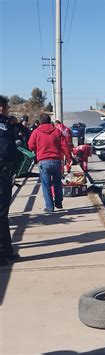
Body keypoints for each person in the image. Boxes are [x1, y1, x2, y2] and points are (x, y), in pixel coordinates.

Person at [28, 113, 72, 212]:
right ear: (49, 121)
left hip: (43, 161)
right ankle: (59, 203)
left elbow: (31, 145)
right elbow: (64, 145)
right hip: (56, 160)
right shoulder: (57, 131)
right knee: (57, 182)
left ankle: (49, 206)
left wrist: (38, 148)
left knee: (46, 184)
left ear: (40, 122)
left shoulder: (36, 132)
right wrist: (69, 157)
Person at [0, 97, 20, 266]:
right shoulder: (4, 124)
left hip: (5, 173)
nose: (8, 110)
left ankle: (7, 250)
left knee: (3, 215)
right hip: (2, 172)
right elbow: (8, 149)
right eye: (7, 108)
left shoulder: (7, 123)